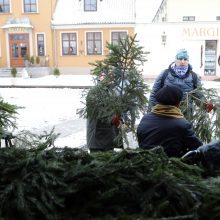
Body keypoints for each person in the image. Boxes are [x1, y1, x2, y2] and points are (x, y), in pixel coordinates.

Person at [137, 85, 203, 157]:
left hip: (144, 159)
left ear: (158, 101)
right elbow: (198, 147)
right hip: (169, 163)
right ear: (178, 103)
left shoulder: (146, 117)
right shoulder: (181, 124)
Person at [86, 72, 123, 152]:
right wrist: (112, 119)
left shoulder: (112, 91)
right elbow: (96, 111)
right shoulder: (95, 92)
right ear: (100, 78)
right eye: (105, 76)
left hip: (108, 138)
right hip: (97, 138)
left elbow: (115, 109)